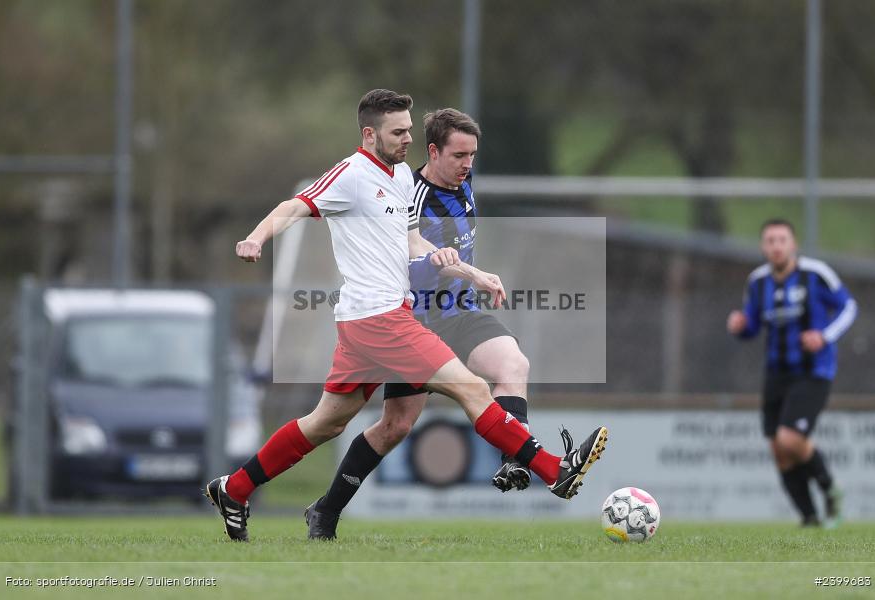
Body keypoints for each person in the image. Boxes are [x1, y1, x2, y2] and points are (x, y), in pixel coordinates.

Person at [205, 89, 608, 542]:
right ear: (369, 133)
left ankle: (234, 489)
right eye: (398, 132)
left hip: (377, 320)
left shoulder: (398, 177)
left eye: (409, 130)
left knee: (326, 422)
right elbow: (294, 206)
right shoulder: (351, 174)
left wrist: (471, 273)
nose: (407, 139)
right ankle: (554, 471)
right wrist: (257, 238)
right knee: (472, 388)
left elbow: (413, 242)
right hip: (378, 319)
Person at [305, 108, 533, 540]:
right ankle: (325, 510)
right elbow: (409, 260)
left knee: (514, 366)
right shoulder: (406, 193)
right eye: (459, 155)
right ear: (433, 150)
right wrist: (451, 265)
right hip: (416, 324)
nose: (468, 164)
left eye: (473, 155)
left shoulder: (464, 182)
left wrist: (470, 277)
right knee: (396, 427)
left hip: (461, 314)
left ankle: (516, 459)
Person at [727, 218, 856, 528]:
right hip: (776, 373)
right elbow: (753, 325)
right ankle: (809, 518)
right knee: (778, 450)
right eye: (770, 241)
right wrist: (741, 327)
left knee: (790, 438)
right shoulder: (757, 282)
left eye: (781, 240)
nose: (776, 246)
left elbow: (848, 307)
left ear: (793, 244)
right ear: (763, 247)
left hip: (814, 371)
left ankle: (829, 488)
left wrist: (824, 336)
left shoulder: (816, 274)